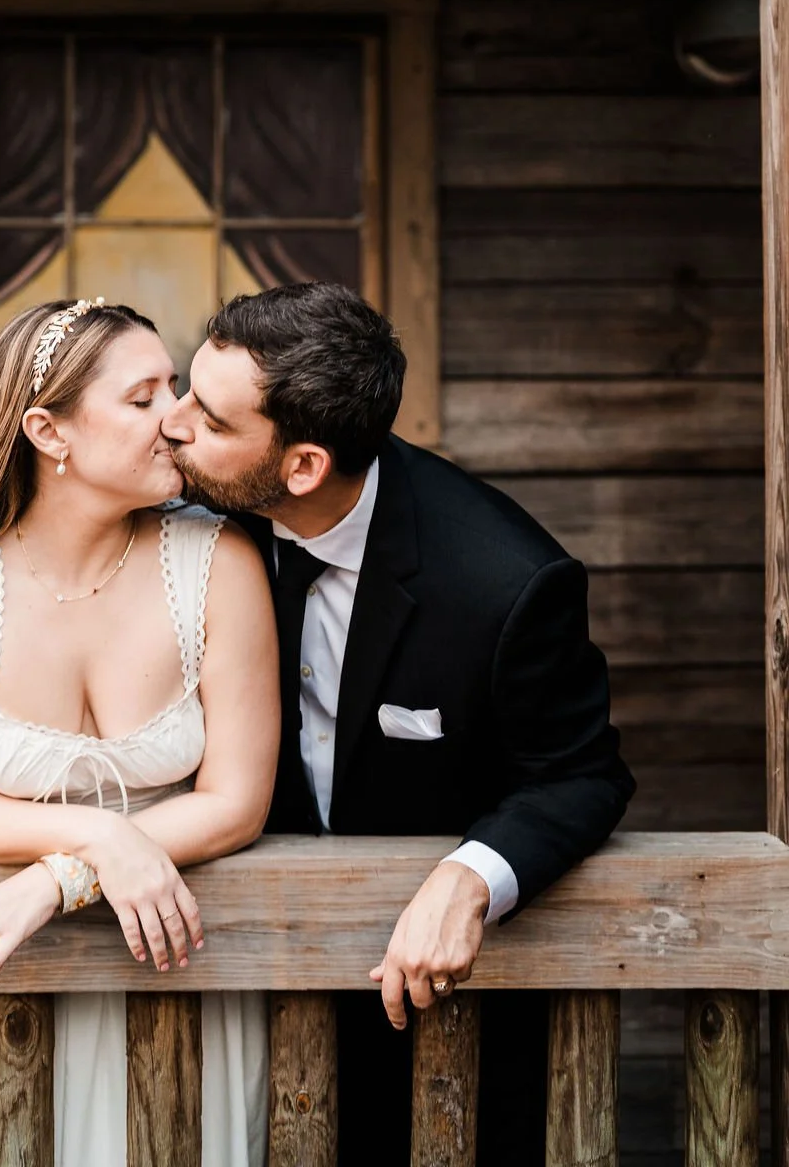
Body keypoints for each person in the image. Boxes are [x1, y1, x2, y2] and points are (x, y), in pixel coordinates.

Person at [160, 280, 636, 1167]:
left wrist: (469, 879)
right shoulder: (187, 516)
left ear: (300, 466)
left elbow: (583, 774)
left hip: (426, 1014)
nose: (175, 423)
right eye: (187, 390)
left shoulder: (502, 582)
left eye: (213, 420)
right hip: (229, 984)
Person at [0, 298, 279, 1167]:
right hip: (12, 1000)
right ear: (48, 433)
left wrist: (57, 879)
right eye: (142, 400)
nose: (176, 419)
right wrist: (101, 836)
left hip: (186, 979)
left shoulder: (221, 564)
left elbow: (238, 803)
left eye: (175, 388)